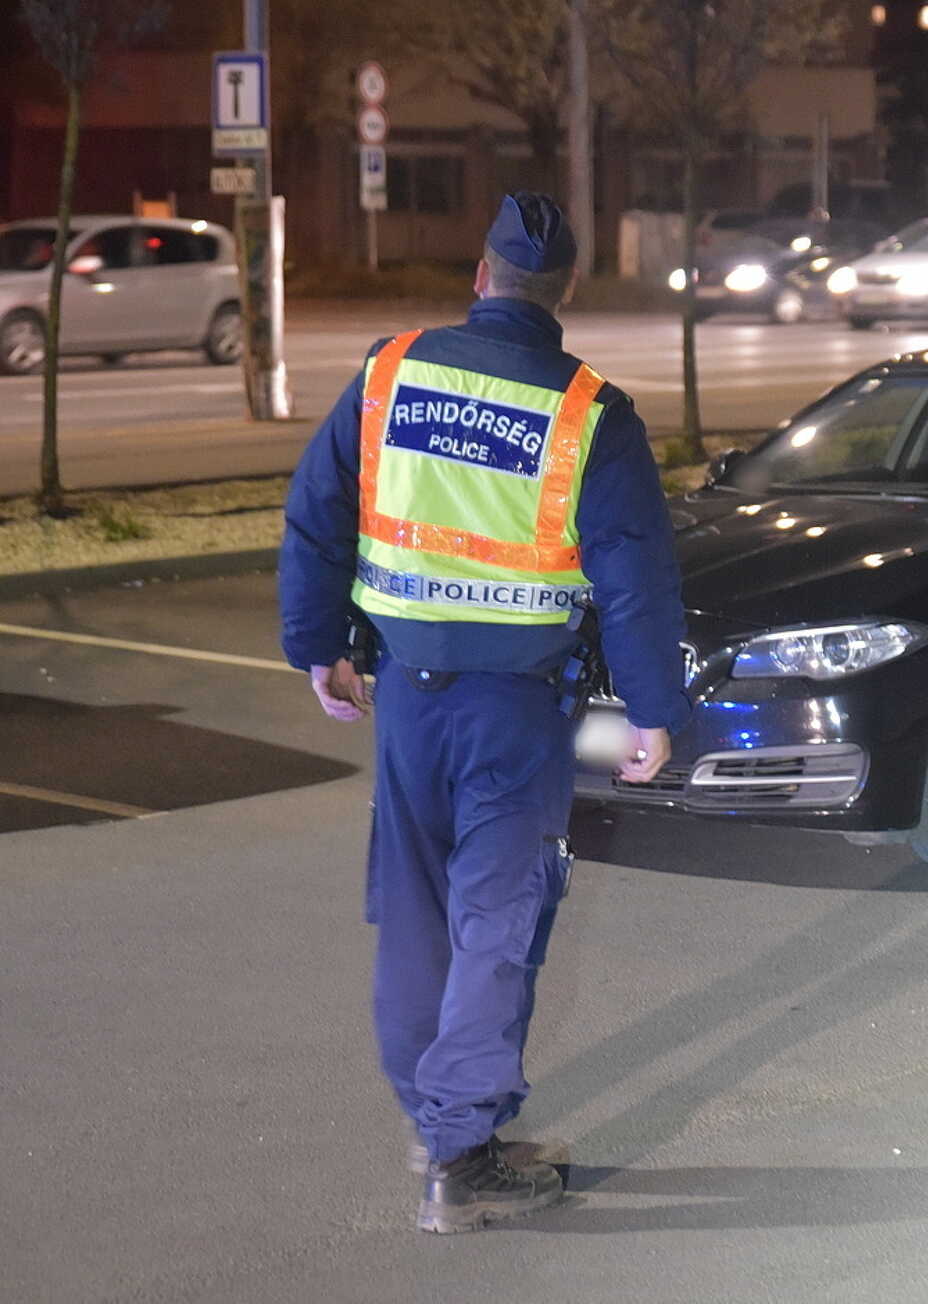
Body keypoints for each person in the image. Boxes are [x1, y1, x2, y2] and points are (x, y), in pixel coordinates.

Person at [278, 192, 689, 1234]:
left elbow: (319, 515)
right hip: (516, 713)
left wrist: (317, 643)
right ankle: (461, 1156)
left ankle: (440, 1116)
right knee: (497, 924)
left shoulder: (390, 370)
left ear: (480, 273)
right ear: (568, 293)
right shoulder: (589, 410)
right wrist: (652, 709)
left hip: (409, 699)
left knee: (417, 916)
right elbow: (633, 578)